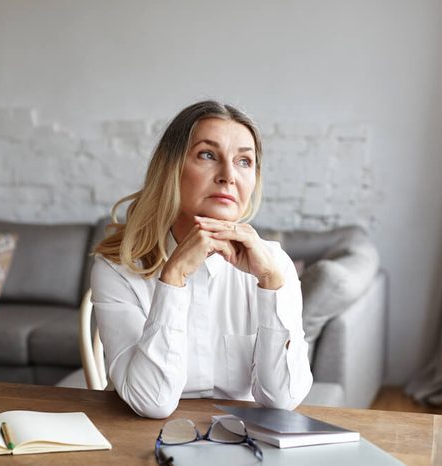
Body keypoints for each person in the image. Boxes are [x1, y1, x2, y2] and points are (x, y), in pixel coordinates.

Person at [91, 100, 313, 419]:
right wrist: (174, 277)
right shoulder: (118, 268)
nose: (228, 176)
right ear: (172, 168)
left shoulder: (274, 265)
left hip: (244, 442)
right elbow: (151, 402)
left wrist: (272, 286)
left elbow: (282, 400)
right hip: (140, 442)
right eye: (208, 155)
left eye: (244, 161)